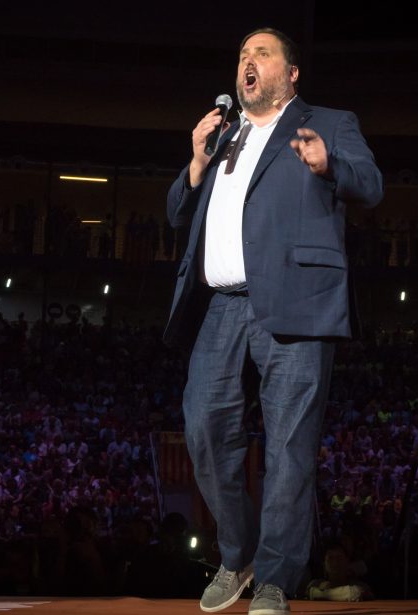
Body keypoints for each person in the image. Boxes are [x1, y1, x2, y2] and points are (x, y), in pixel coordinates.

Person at [164, 27, 382, 615]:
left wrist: (328, 163)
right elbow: (175, 211)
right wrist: (194, 162)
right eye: (241, 56)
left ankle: (276, 580)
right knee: (204, 428)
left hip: (299, 302)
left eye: (261, 54)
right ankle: (238, 556)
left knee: (290, 446)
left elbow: (373, 185)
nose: (247, 63)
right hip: (220, 306)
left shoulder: (330, 122)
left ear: (291, 74)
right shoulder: (224, 132)